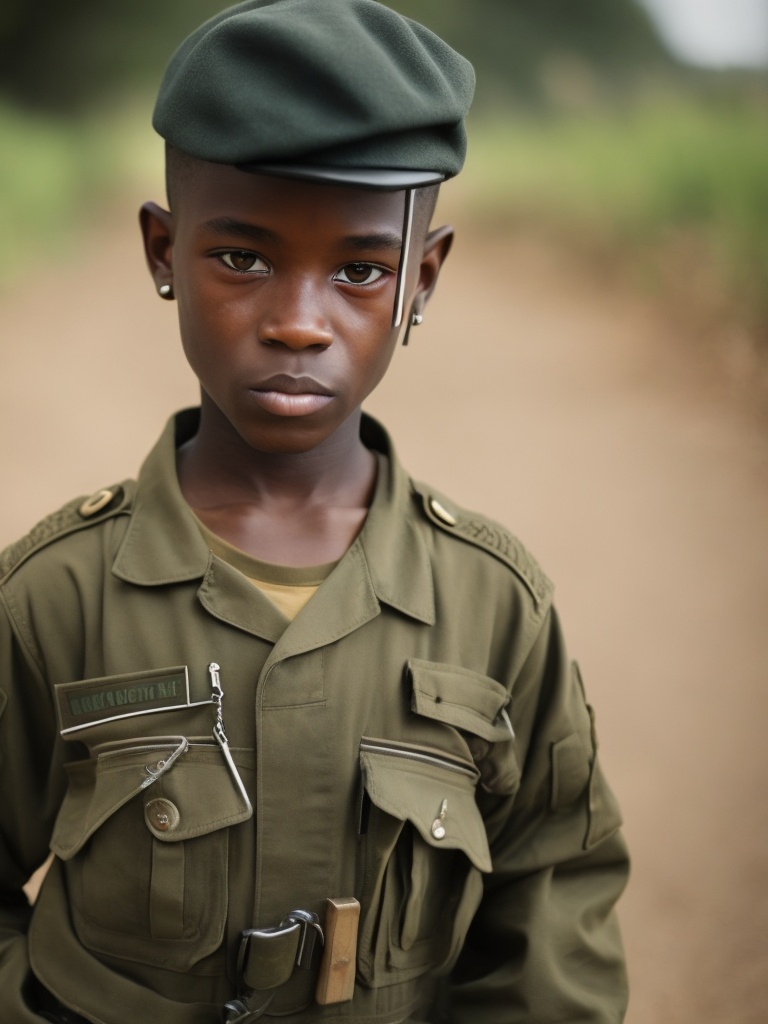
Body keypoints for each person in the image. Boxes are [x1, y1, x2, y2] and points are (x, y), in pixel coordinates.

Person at [0, 1, 629, 1022]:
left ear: (422, 279)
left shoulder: (493, 605)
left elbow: (557, 895)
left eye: (360, 270)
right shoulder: (53, 594)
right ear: (163, 249)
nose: (298, 321)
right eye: (241, 258)